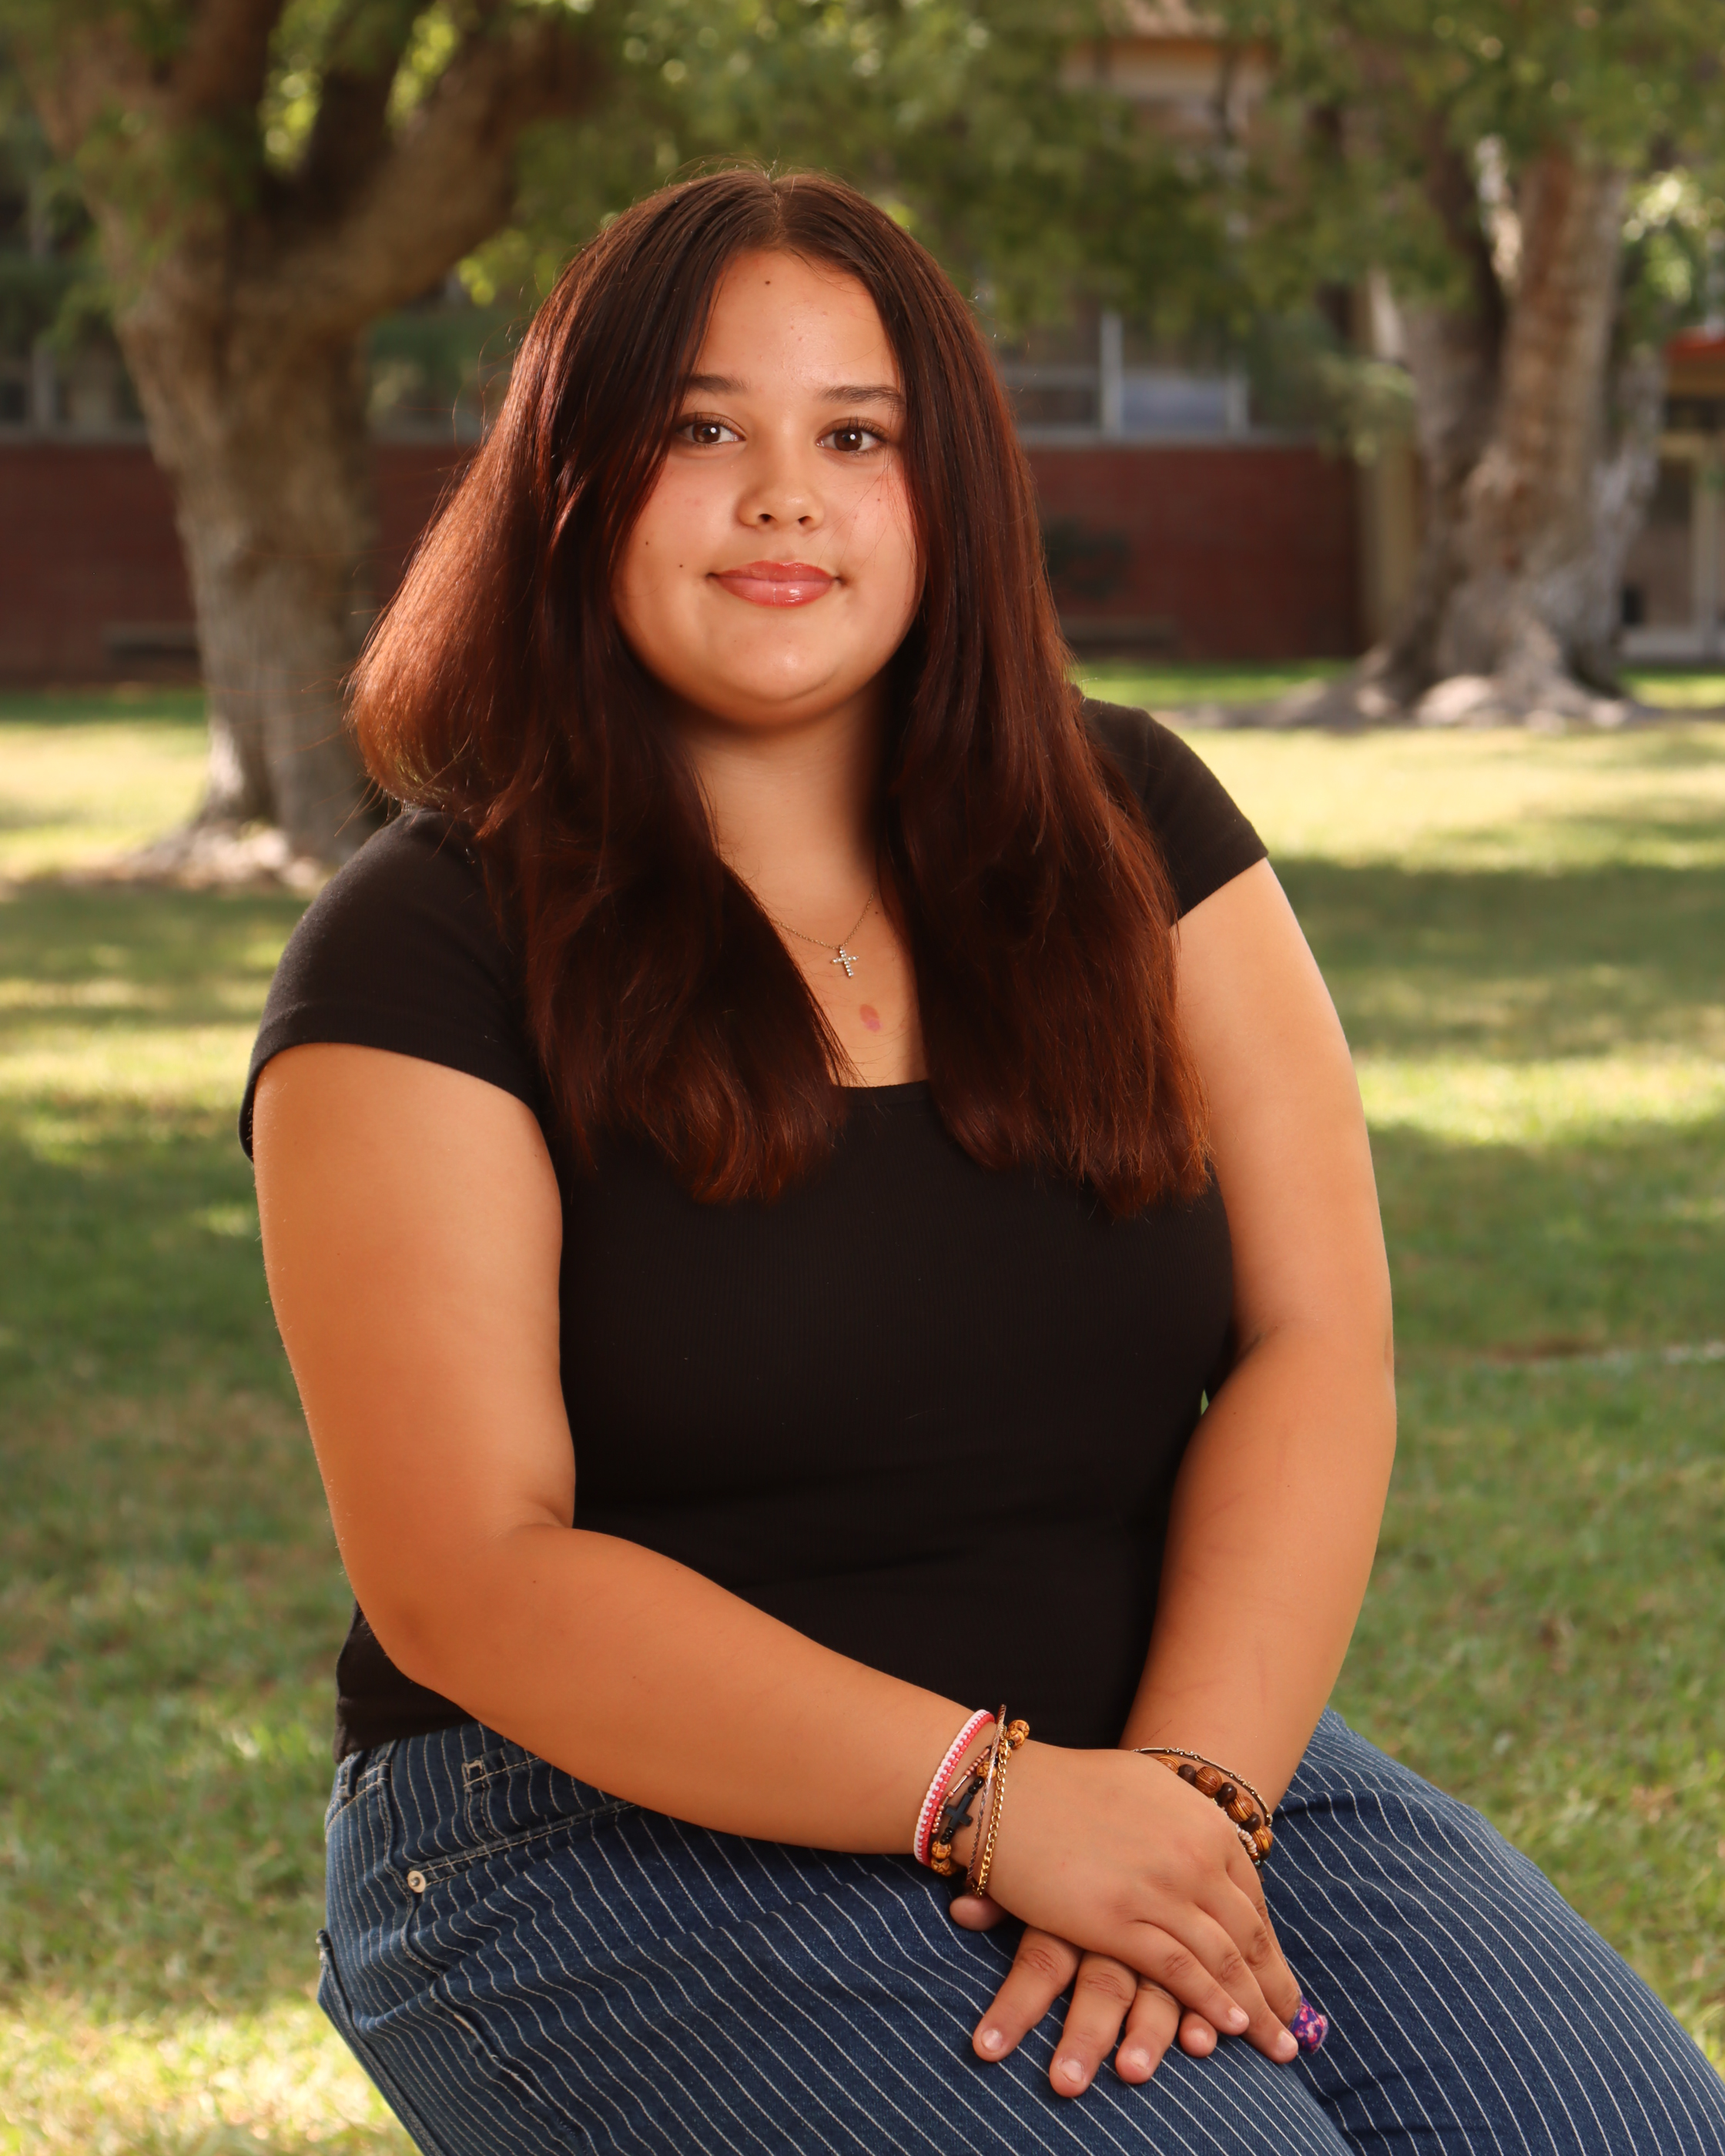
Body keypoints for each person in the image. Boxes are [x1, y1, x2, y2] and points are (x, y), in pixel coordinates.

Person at [243, 169, 1725, 2156]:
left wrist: (1185, 1807)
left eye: (858, 437)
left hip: (1151, 1749)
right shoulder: (422, 950)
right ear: (571, 488)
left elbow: (1314, 1346)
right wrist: (995, 1804)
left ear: (951, 490)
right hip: (584, 1828)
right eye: (703, 431)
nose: (787, 499)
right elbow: (470, 1576)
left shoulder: (1138, 830)